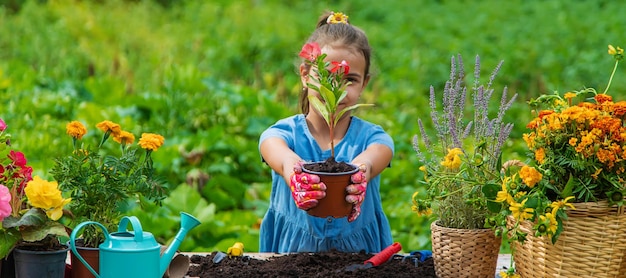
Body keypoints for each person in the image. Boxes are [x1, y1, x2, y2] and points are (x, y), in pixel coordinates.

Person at [258, 11, 394, 254]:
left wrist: (359, 172)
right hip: (293, 255)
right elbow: (273, 147)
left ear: (365, 84)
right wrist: (293, 169)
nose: (337, 89)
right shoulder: (283, 134)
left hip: (360, 254)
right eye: (325, 76)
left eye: (350, 79)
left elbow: (375, 157)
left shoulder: (373, 139)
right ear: (304, 75)